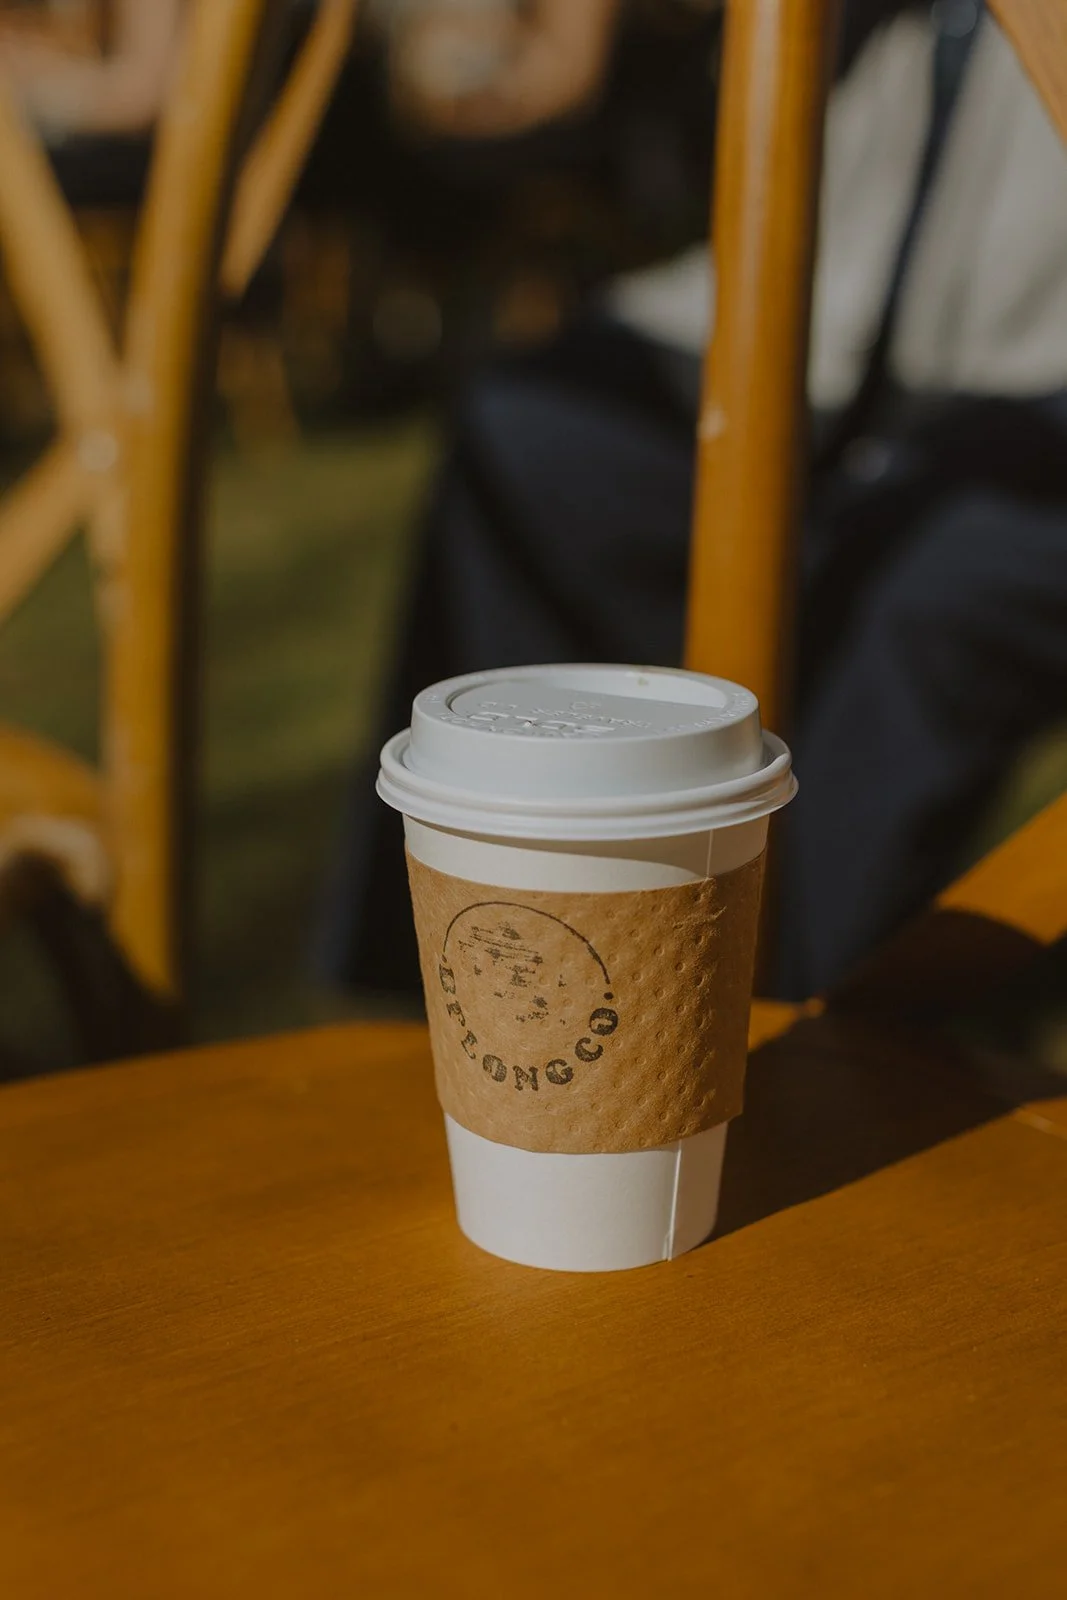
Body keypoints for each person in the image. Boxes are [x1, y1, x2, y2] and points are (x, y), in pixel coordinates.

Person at [318, 0, 1067, 1003]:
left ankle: (781, 1020)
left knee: (927, 589)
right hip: (817, 300)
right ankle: (458, 981)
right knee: (535, 445)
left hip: (1039, 360)